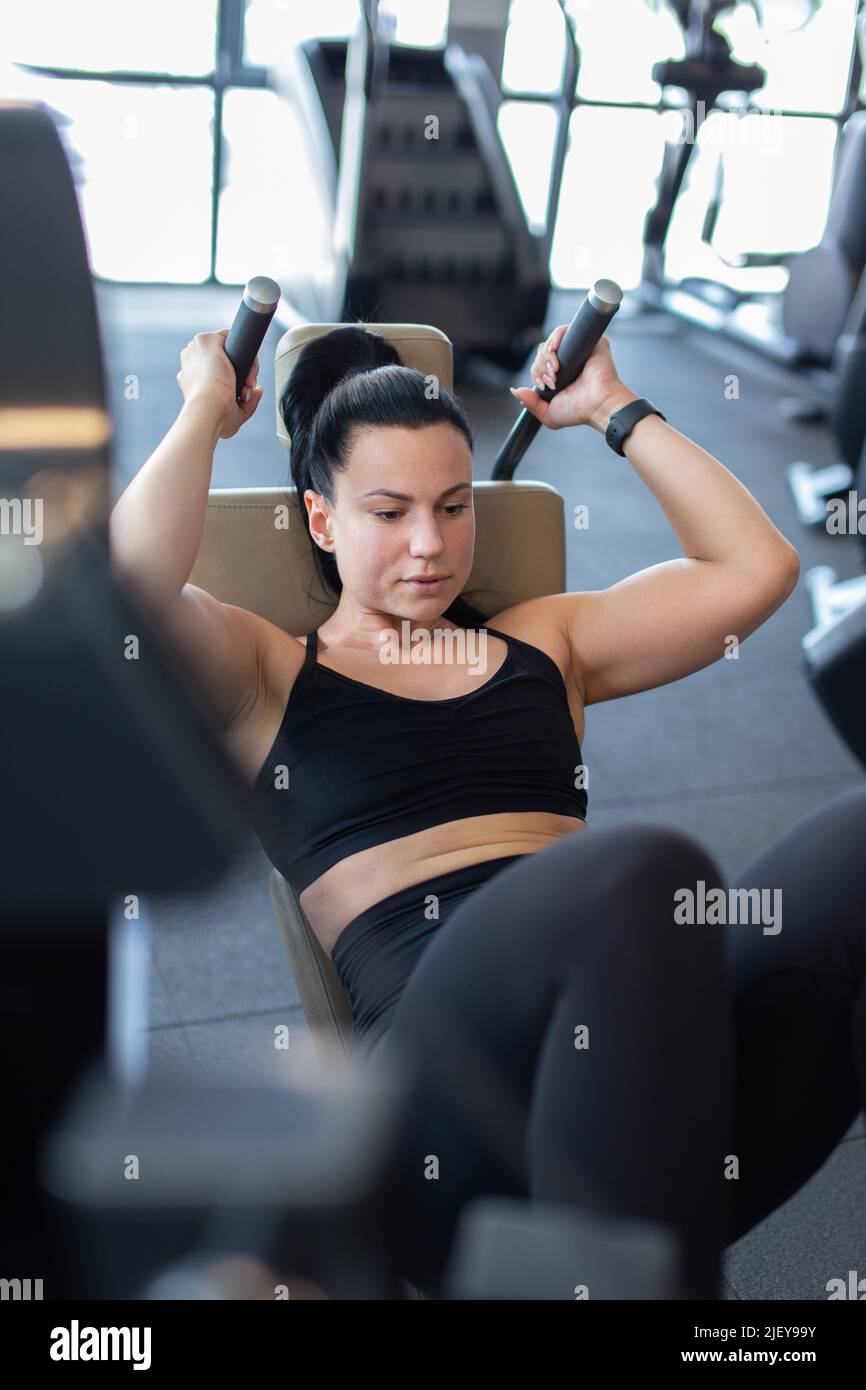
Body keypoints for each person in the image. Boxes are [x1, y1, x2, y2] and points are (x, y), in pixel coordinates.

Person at [109, 321, 866, 1301]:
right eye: (387, 512)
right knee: (637, 876)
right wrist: (205, 407)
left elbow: (750, 570)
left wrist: (610, 409)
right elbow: (126, 590)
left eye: (453, 506)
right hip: (436, 1113)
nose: (428, 544)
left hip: (627, 1062)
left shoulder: (545, 643)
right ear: (323, 518)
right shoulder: (269, 673)